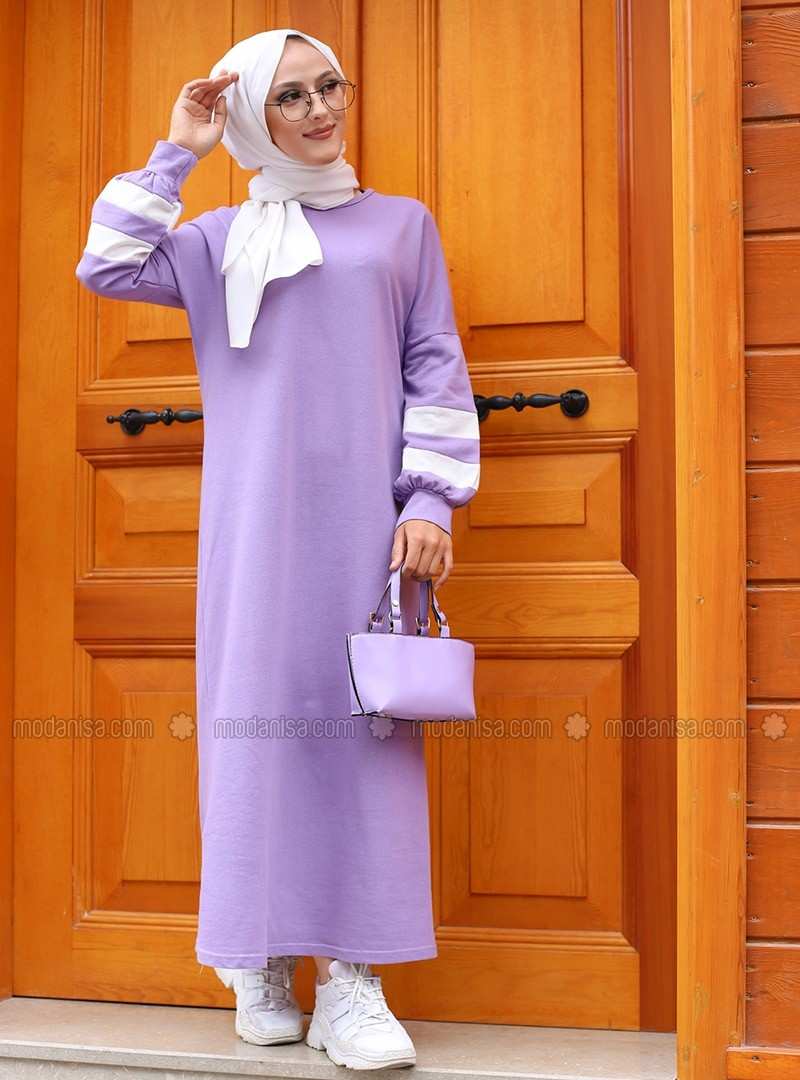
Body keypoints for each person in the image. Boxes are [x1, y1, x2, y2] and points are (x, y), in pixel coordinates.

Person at [75, 27, 480, 1072]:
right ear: (255, 117)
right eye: (290, 96)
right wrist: (179, 149)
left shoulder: (401, 226)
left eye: (329, 85)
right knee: (252, 733)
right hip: (253, 532)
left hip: (370, 531)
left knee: (364, 738)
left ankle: (354, 981)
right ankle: (256, 958)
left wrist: (431, 500)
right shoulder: (216, 241)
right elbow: (106, 262)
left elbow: (436, 362)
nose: (319, 110)